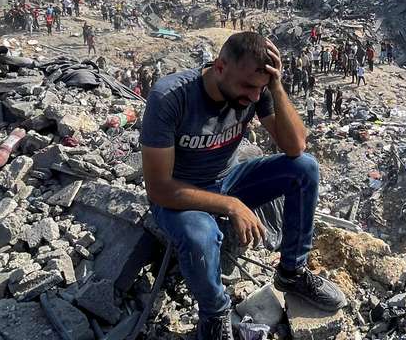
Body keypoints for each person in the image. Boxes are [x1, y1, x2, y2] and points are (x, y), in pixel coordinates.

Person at [140, 32, 347, 340]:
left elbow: (295, 147)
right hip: (179, 195)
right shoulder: (171, 97)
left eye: (260, 88)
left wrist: (274, 86)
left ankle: (292, 273)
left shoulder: (256, 89)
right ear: (220, 66)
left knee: (305, 168)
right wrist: (231, 205)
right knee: (201, 236)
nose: (253, 97)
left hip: (228, 179)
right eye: (248, 86)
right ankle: (214, 312)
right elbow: (158, 189)